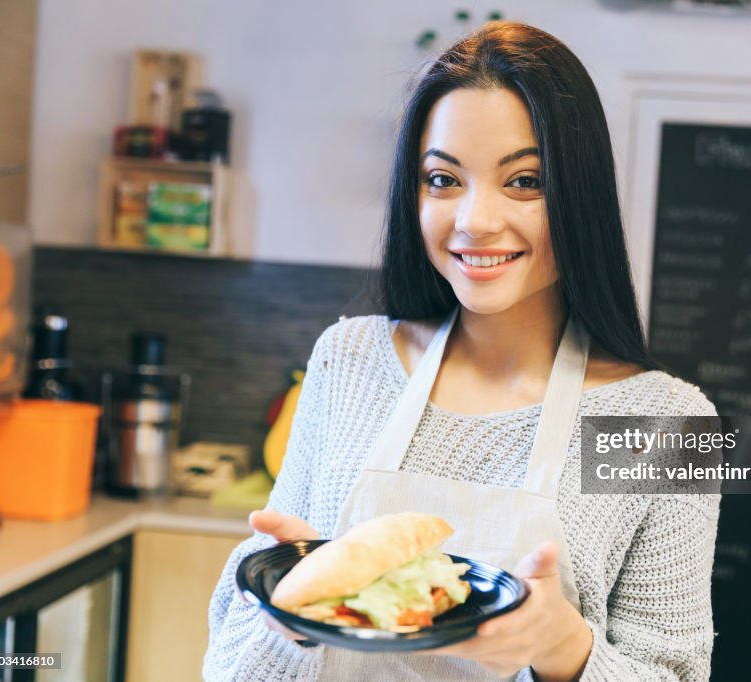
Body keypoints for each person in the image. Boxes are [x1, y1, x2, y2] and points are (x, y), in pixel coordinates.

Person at [204, 21, 719, 682]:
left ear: (579, 193)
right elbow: (227, 663)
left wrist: (565, 649)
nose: (475, 220)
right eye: (443, 180)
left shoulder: (668, 426)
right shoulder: (347, 361)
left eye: (525, 180)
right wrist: (289, 622)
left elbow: (675, 673)